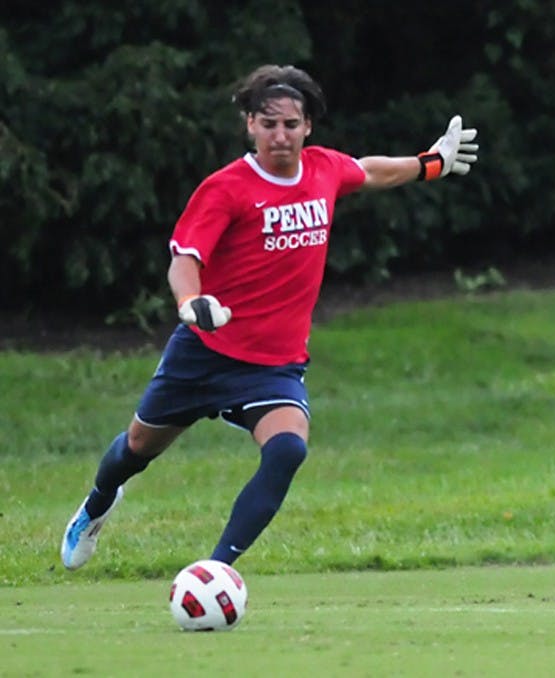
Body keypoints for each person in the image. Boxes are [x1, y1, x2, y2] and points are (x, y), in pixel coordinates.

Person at [60, 64, 479, 570]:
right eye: (268, 123)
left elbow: (368, 171)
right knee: (136, 448)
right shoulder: (226, 188)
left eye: (291, 124)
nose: (280, 135)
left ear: (308, 128)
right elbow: (184, 260)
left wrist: (432, 163)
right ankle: (98, 504)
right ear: (250, 126)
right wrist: (190, 304)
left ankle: (215, 572)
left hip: (272, 366)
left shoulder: (323, 169)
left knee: (286, 452)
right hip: (203, 353)